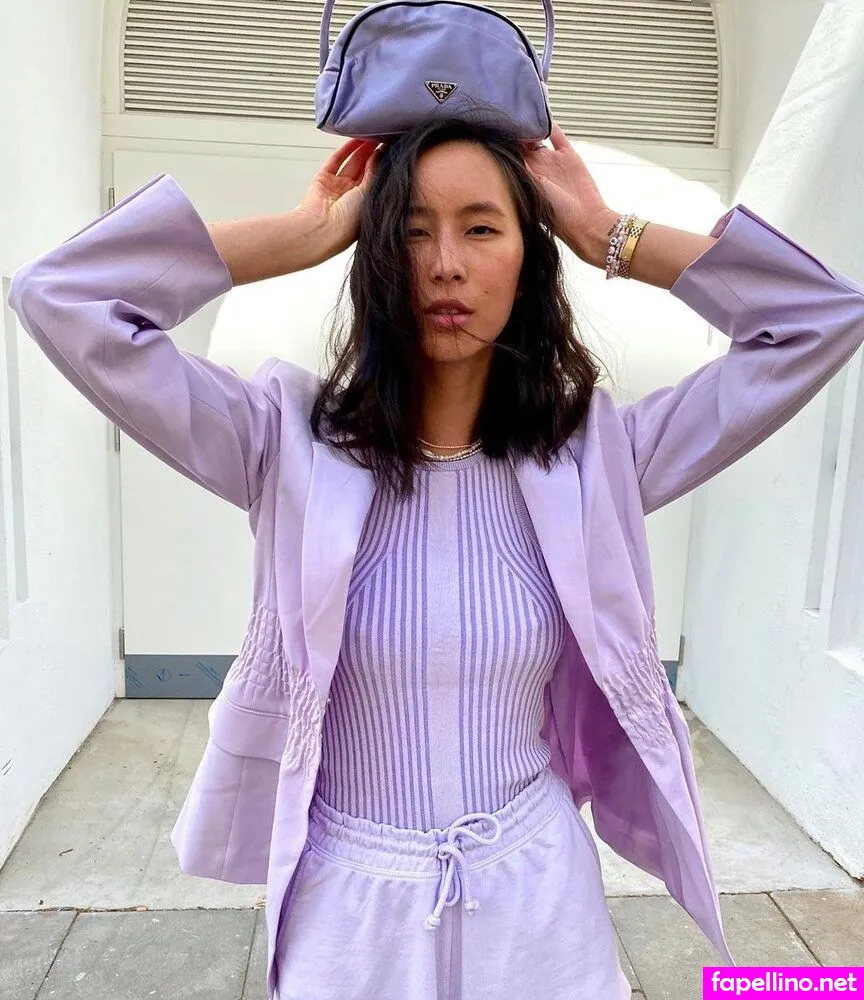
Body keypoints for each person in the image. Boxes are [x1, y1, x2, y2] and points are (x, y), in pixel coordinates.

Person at [9, 116, 864, 1000]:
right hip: (351, 915)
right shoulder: (282, 443)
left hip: (540, 903)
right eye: (411, 231)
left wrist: (607, 231)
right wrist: (305, 234)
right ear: (377, 256)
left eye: (482, 228)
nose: (445, 264)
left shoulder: (594, 460)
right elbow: (62, 298)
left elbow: (816, 318)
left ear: (529, 259)